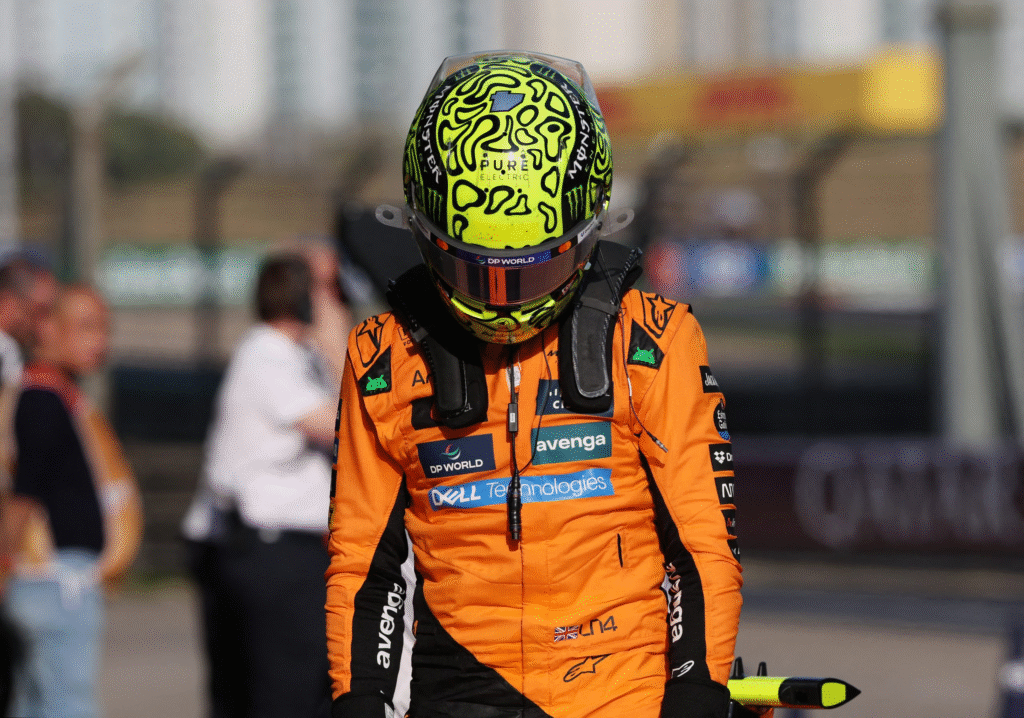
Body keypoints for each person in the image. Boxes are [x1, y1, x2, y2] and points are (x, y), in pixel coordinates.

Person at [325, 52, 744, 718]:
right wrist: (361, 698)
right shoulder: (380, 356)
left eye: (528, 272)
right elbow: (363, 562)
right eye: (477, 271)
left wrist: (698, 686)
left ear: (588, 232)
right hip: (457, 697)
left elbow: (702, 542)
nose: (503, 299)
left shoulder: (655, 340)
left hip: (621, 696)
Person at [186, 253, 338, 718]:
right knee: (287, 694)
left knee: (264, 693)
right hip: (272, 551)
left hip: (270, 548)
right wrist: (334, 329)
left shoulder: (291, 357)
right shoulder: (268, 356)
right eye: (328, 291)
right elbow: (343, 423)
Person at [1, 285, 143, 718]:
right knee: (67, 705)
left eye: (104, 328)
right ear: (47, 328)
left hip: (52, 583)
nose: (99, 340)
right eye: (85, 327)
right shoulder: (43, 398)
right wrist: (3, 563)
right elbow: (24, 495)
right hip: (56, 585)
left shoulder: (54, 396)